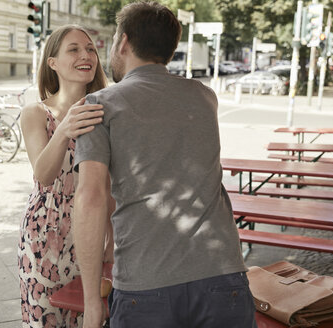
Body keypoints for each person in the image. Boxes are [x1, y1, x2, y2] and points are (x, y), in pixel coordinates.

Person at [73, 2, 257, 328]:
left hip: (145, 286)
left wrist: (91, 303)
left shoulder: (100, 105)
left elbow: (90, 199)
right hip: (223, 277)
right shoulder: (204, 97)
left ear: (124, 42)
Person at [18, 24, 114, 328]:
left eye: (90, 49)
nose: (86, 55)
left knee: (91, 318)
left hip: (94, 228)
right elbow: (43, 175)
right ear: (53, 63)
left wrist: (112, 242)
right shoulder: (35, 113)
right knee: (45, 318)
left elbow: (112, 185)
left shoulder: (107, 109)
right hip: (44, 233)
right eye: (74, 49)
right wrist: (63, 128)